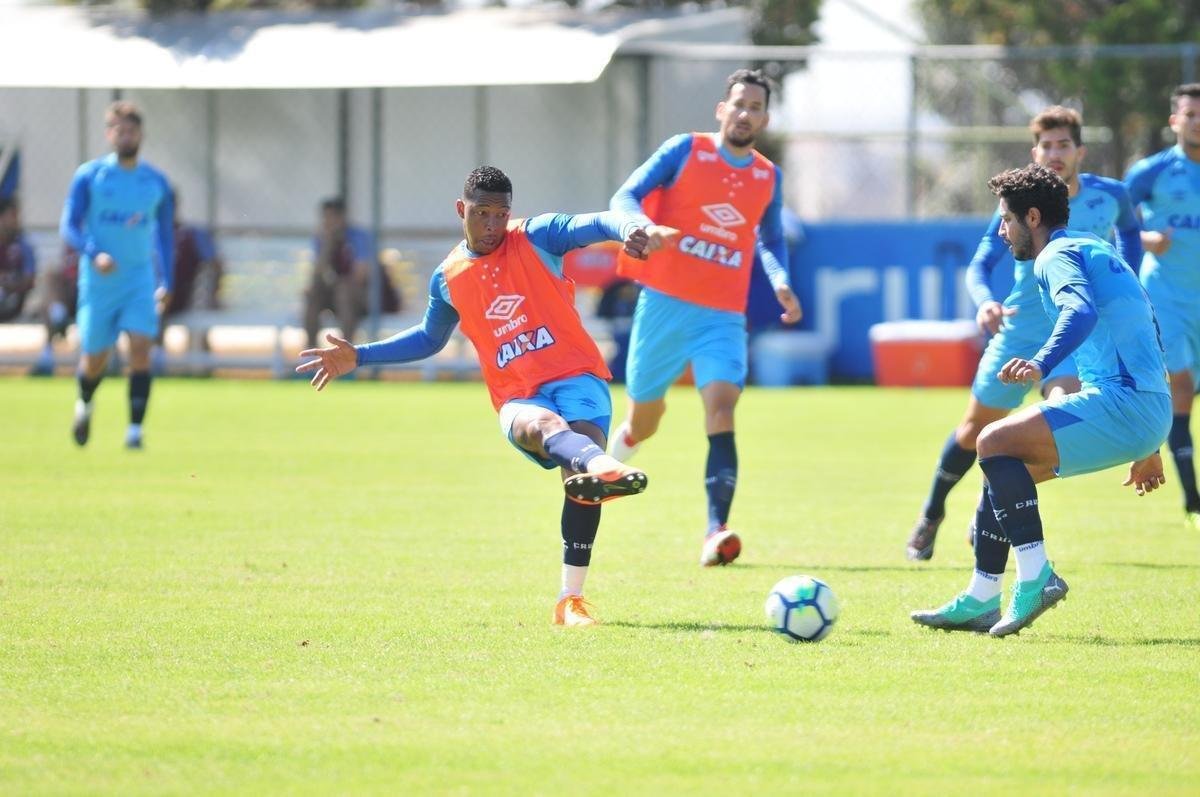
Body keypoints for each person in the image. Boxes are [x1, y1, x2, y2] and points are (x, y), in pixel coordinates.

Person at [297, 166, 666, 627]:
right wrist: (362, 356)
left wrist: (632, 227)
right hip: (517, 394)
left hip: (578, 376)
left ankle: (570, 601)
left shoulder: (537, 237)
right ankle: (601, 465)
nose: (493, 225)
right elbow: (430, 339)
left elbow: (599, 223)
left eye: (501, 214)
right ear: (461, 210)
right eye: (482, 213)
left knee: (579, 481)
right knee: (550, 431)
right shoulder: (448, 277)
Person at [911, 163, 1170, 637]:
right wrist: (1150, 444)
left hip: (1125, 402)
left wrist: (1041, 363)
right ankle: (980, 597)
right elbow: (1144, 329)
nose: (1004, 233)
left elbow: (1080, 310)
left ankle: (1037, 576)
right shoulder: (1099, 247)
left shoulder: (1054, 256)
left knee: (991, 441)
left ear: (1032, 218)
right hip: (1144, 407)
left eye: (1007, 220)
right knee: (1001, 473)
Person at [905, 106, 1143, 560]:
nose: (1054, 153)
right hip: (1019, 331)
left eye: (1063, 145)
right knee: (975, 430)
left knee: (1054, 421)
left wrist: (1126, 275)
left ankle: (994, 518)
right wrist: (985, 302)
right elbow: (979, 265)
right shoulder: (1018, 200)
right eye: (1046, 146)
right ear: (1035, 151)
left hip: (1074, 333)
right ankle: (932, 513)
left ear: (1080, 151)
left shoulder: (1111, 195)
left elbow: (1130, 233)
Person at [607, 68, 802, 567]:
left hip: (722, 315)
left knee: (721, 407)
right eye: (738, 104)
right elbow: (624, 197)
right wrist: (644, 227)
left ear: (765, 118)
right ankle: (611, 460)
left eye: (755, 107)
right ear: (722, 109)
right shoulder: (684, 150)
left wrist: (780, 279)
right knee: (643, 422)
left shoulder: (766, 176)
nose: (745, 114)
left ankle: (717, 530)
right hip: (664, 306)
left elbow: (771, 238)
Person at [60, 101, 173, 449]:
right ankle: (85, 404)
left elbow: (164, 235)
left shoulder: (155, 181)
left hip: (138, 279)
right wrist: (95, 254)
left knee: (140, 347)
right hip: (99, 282)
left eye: (132, 131)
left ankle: (135, 432)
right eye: (120, 130)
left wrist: (165, 279)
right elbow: (69, 226)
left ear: (141, 135)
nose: (126, 136)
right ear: (110, 134)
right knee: (95, 358)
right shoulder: (90, 176)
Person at [1124, 83, 1200, 528]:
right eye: (1189, 114)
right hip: (1166, 296)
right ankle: (1192, 498)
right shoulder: (1152, 171)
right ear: (1174, 121)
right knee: (1183, 384)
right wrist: (1146, 237)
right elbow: (1119, 216)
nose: (1196, 122)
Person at [303, 197, 400, 349]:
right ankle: (310, 352)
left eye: (332, 217)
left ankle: (345, 352)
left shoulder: (359, 237)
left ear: (342, 217)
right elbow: (318, 273)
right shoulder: (321, 239)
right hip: (335, 297)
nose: (328, 222)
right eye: (325, 217)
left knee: (344, 290)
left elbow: (360, 276)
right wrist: (328, 245)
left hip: (365, 298)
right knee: (313, 293)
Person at [164, 187, 222, 317]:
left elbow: (215, 265)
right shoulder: (146, 236)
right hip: (151, 299)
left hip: (183, 299)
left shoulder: (192, 234)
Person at [0, 195, 36, 321]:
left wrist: (10, 285)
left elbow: (29, 280)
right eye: (13, 215)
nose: (17, 221)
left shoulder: (23, 246)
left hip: (15, 304)